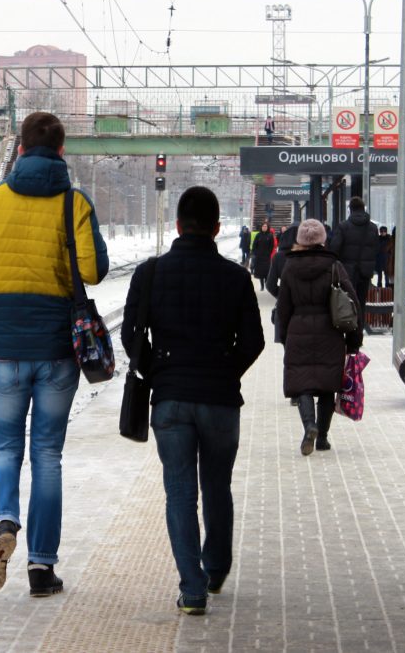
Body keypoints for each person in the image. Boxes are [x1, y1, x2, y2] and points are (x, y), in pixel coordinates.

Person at [0, 111, 108, 598]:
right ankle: (41, 568)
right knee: (48, 454)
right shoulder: (74, 202)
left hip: (4, 348)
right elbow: (94, 271)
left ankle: (2, 525)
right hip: (58, 349)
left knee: (5, 447)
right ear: (61, 152)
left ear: (18, 150)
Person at [121, 186, 264, 616]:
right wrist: (225, 372)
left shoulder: (149, 274)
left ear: (178, 225)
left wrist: (159, 373)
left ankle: (193, 589)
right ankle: (216, 567)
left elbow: (131, 336)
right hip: (220, 401)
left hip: (171, 402)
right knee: (216, 485)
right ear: (218, 228)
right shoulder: (236, 278)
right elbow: (254, 342)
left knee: (180, 493)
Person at [276, 219, 362, 455]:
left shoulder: (290, 267)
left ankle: (309, 427)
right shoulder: (334, 265)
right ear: (323, 239)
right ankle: (322, 438)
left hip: (298, 330)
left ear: (300, 241)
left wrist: (284, 338)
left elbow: (283, 307)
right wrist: (354, 340)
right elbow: (353, 302)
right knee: (326, 386)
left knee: (302, 384)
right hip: (330, 332)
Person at [329, 196, 379, 332]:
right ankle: (358, 334)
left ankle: (348, 331)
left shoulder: (343, 227)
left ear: (350, 209)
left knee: (347, 302)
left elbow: (334, 249)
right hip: (365, 272)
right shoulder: (373, 228)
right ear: (363, 209)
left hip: (347, 272)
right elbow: (376, 249)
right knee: (361, 303)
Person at [251, 222, 275, 291]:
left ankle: (266, 283)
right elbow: (254, 245)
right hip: (259, 257)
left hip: (266, 257)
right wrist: (255, 253)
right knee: (260, 273)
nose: (264, 227)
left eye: (265, 226)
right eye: (263, 226)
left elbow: (272, 246)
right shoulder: (258, 235)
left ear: (267, 227)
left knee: (267, 271)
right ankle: (262, 286)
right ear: (261, 227)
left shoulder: (270, 236)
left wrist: (268, 253)